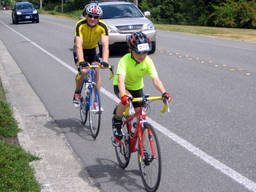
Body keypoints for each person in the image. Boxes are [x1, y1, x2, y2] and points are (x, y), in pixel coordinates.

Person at [112, 32, 172, 140]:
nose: (142, 56)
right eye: (138, 53)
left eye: (145, 52)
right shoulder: (124, 60)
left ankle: (143, 150)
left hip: (137, 88)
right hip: (122, 86)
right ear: (130, 50)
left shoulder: (148, 61)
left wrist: (164, 93)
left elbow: (156, 80)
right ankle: (117, 120)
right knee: (126, 101)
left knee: (142, 120)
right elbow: (121, 81)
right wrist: (123, 96)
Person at [73, 3, 109, 107]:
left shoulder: (103, 27)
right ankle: (77, 92)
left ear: (99, 18)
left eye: (96, 17)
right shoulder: (80, 25)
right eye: (90, 16)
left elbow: (105, 46)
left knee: (96, 70)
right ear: (86, 15)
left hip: (92, 50)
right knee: (84, 71)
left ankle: (96, 100)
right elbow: (79, 45)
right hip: (80, 50)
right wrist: (81, 61)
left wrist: (105, 61)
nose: (92, 19)